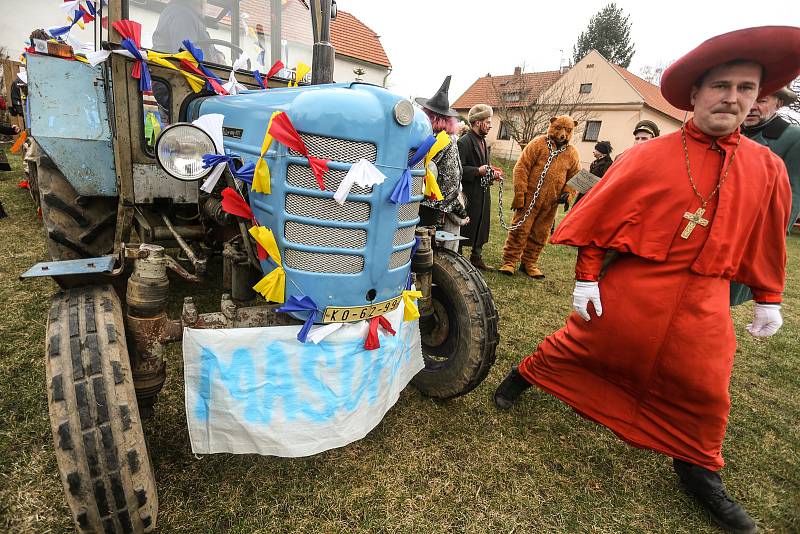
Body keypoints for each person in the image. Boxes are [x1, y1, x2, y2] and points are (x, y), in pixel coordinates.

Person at [493, 25, 799, 534]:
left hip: (705, 299)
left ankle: (700, 471)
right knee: (578, 345)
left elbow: (768, 236)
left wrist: (768, 297)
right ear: (695, 94)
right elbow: (601, 219)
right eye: (721, 86)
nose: (732, 98)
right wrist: (587, 278)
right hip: (635, 288)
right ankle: (522, 376)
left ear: (758, 98)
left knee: (707, 388)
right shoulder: (648, 154)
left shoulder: (767, 168)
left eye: (746, 88)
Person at [730, 85, 800, 306]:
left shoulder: (794, 139)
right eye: (749, 98)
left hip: (751, 230)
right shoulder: (729, 130)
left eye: (761, 100)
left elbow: (793, 194)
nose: (751, 106)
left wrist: (774, 236)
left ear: (778, 103)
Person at [498, 115, 581, 278]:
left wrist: (568, 193)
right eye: (558, 128)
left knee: (540, 233)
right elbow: (522, 167)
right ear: (552, 125)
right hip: (530, 199)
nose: (562, 134)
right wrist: (520, 193)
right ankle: (510, 261)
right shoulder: (538, 144)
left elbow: (574, 175)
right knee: (520, 229)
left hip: (550, 204)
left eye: (568, 130)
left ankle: (529, 262)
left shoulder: (572, 153)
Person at [415, 76, 470, 252]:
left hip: (409, 197)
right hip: (432, 203)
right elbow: (452, 179)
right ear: (447, 119)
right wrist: (459, 209)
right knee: (425, 246)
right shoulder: (448, 141)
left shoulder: (417, 134)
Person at [458, 104, 497, 271]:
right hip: (468, 194)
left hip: (482, 192)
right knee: (464, 226)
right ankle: (458, 258)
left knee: (481, 225)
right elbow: (458, 170)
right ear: (478, 122)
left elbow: (485, 166)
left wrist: (491, 173)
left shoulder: (483, 141)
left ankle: (476, 257)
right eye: (487, 122)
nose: (490, 125)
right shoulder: (464, 142)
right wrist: (477, 171)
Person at [152, 0, 223, 63]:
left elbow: (206, 45)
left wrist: (218, 55)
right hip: (173, 74)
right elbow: (188, 56)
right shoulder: (183, 15)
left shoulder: (191, 18)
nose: (205, 4)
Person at [574, 140, 613, 205]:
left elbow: (605, 180)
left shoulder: (608, 164)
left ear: (602, 152)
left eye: (596, 150)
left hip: (594, 194)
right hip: (586, 191)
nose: (593, 151)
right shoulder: (595, 162)